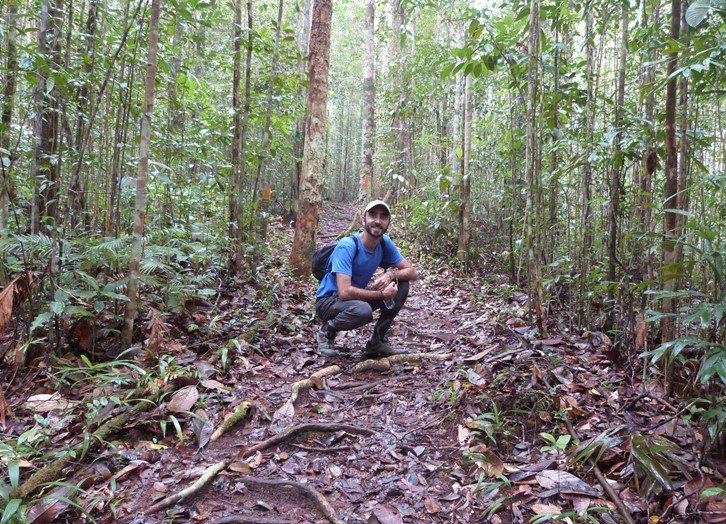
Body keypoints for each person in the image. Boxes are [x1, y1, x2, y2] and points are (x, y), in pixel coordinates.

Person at [315, 200, 418, 358]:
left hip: (354, 298)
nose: (377, 221)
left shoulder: (384, 243)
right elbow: (344, 292)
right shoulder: (348, 245)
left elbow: (412, 272)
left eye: (383, 217)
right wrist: (382, 295)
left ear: (388, 223)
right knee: (363, 311)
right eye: (372, 215)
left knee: (401, 283)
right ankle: (326, 332)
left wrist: (391, 274)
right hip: (328, 301)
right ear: (363, 220)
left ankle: (378, 340)